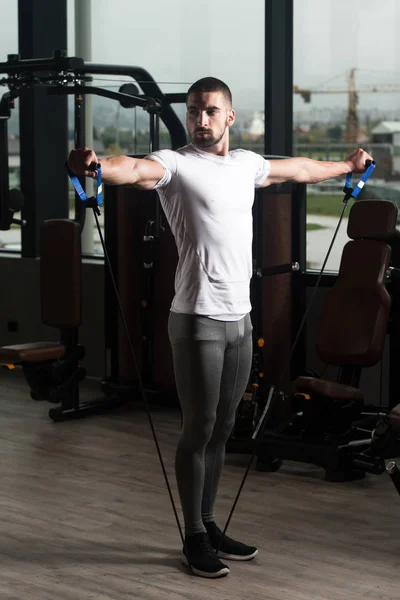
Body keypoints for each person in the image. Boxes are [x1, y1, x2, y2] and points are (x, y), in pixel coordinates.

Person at [67, 76, 374, 579]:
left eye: (210, 111)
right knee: (199, 428)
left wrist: (347, 166)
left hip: (239, 319)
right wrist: (97, 165)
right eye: (193, 111)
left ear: (229, 116)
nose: (200, 120)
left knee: (225, 429)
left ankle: (209, 524)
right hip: (195, 318)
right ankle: (192, 535)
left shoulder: (246, 166)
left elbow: (296, 168)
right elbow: (134, 169)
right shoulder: (176, 164)